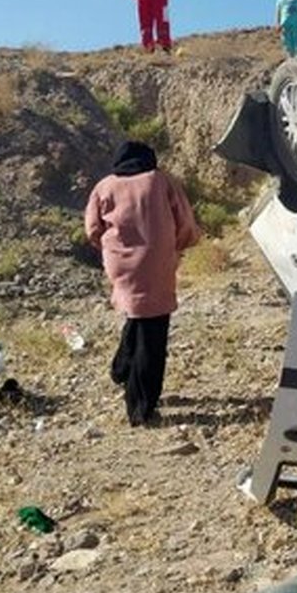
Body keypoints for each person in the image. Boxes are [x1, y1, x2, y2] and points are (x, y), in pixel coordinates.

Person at [84, 141, 200, 426]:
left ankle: (121, 367)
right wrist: (178, 246)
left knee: (136, 312)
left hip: (119, 263)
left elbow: (92, 229)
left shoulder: (104, 186)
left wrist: (112, 251)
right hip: (156, 262)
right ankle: (140, 407)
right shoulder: (161, 181)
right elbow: (184, 223)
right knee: (153, 333)